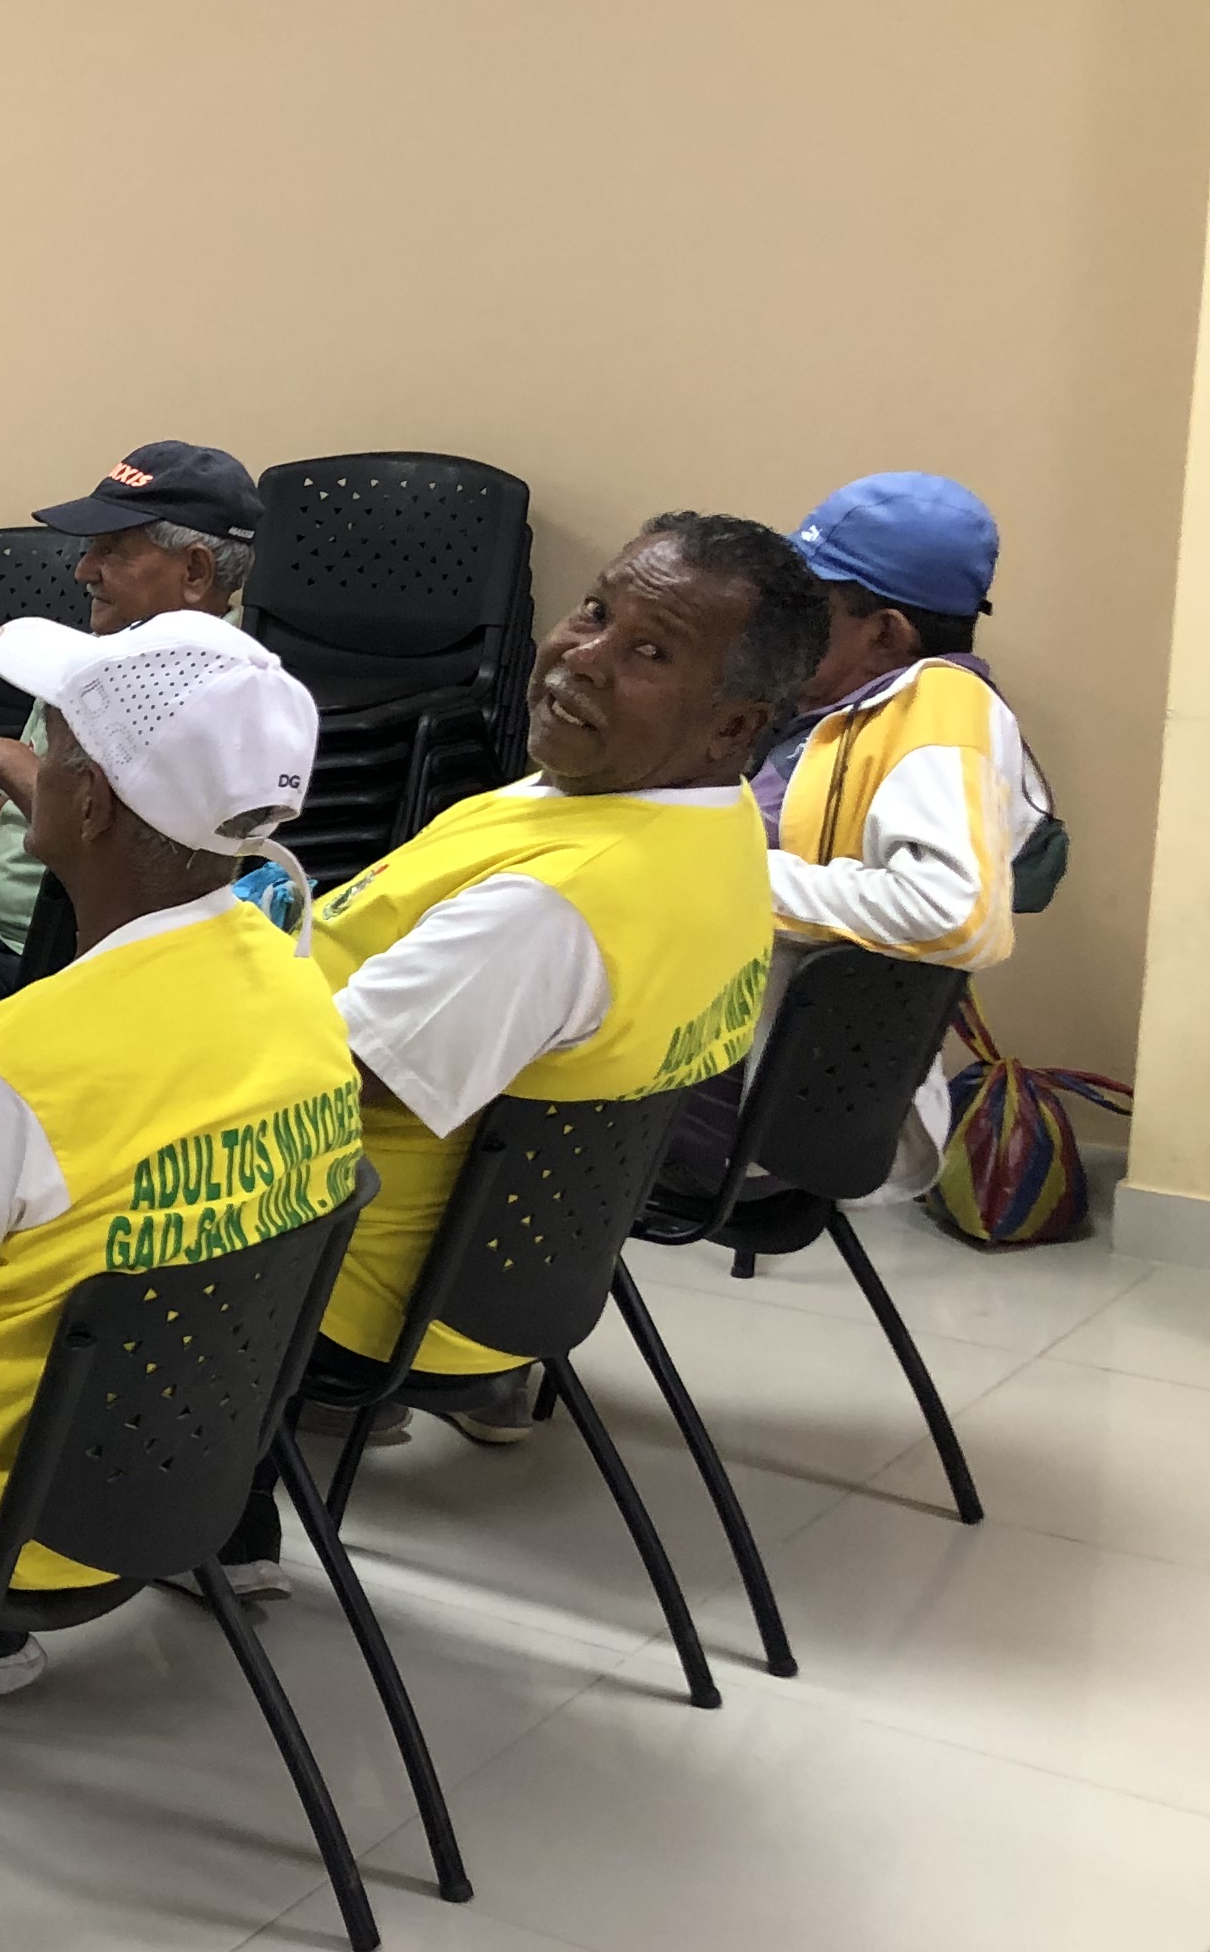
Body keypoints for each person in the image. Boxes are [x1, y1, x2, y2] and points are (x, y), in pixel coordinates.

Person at [239, 516, 827, 1530]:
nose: (583, 656)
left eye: (650, 652)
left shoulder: (554, 905)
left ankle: (175, 1508)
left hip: (343, 1280)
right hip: (509, 1279)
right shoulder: (713, 822)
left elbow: (321, 1079)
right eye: (595, 611)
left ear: (733, 727)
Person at [0, 611, 347, 1696]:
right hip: (150, 1497)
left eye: (57, 745)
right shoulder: (300, 993)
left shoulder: (26, 1057)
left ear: (89, 803)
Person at [664, 472, 1050, 1194]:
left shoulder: (942, 707)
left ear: (886, 633)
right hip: (731, 1064)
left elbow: (954, 913)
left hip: (760, 1112)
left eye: (813, 609)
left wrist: (713, 871)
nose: (783, 626)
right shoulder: (848, 710)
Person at [0, 441, 266, 1093]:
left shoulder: (217, 696)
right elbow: (1, 819)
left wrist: (13, 764)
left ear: (195, 571)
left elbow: (121, 848)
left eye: (112, 551)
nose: (83, 571)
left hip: (48, 958)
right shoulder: (107, 648)